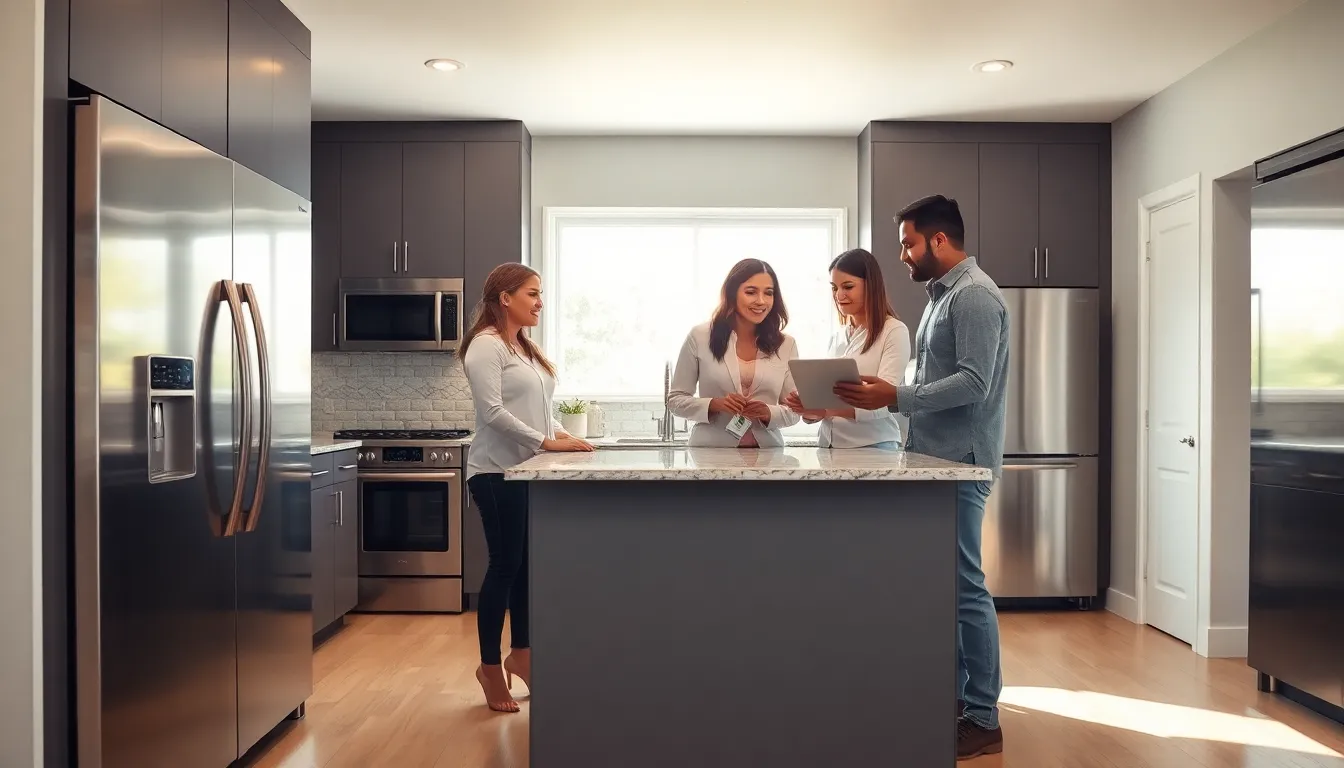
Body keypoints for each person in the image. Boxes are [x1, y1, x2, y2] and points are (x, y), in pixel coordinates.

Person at [832, 195, 1009, 760]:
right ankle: (959, 703)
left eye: (909, 243)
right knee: (951, 590)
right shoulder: (942, 297)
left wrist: (897, 396)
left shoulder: (975, 296)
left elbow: (975, 383)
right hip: (936, 462)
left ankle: (983, 716)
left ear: (937, 240)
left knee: (967, 589)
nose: (903, 255)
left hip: (962, 461)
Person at [460, 262, 593, 713]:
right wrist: (546, 441)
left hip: (526, 471)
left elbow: (540, 407)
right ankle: (489, 668)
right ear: (505, 297)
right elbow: (493, 412)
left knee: (526, 567)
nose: (540, 302)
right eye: (532, 293)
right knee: (504, 566)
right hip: (495, 472)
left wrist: (562, 437)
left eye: (541, 294)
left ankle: (523, 654)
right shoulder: (485, 346)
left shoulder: (524, 347)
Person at [783, 248, 910, 449]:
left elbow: (885, 402)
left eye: (848, 287)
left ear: (871, 286)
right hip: (829, 447)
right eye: (834, 288)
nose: (839, 295)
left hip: (873, 448)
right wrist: (808, 408)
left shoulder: (893, 331)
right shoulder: (838, 337)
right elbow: (827, 406)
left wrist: (825, 410)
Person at [668, 258, 801, 447]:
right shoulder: (699, 336)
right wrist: (714, 404)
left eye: (769, 293)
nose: (761, 301)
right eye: (751, 292)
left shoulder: (786, 344)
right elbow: (675, 400)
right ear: (732, 293)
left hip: (768, 454)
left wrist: (768, 413)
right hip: (711, 453)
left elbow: (795, 410)